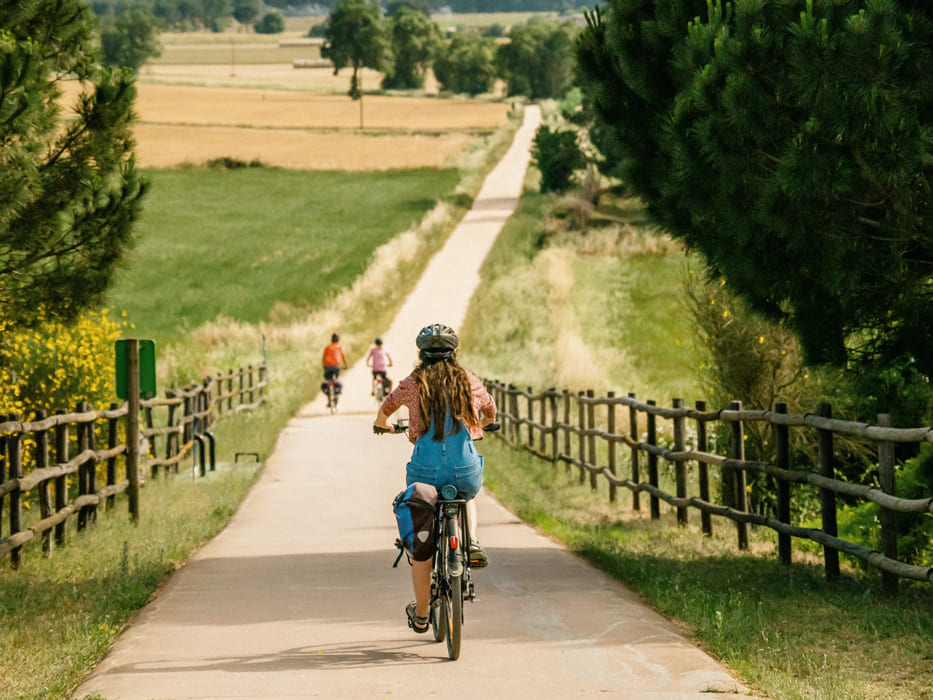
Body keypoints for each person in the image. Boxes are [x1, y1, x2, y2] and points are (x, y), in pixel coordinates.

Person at [373, 322, 497, 634]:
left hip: (425, 473)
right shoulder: (467, 380)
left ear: (421, 354)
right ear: (455, 353)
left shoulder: (414, 382)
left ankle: (423, 615)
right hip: (464, 470)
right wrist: (487, 421)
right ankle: (471, 542)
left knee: (422, 545)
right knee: (465, 497)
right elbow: (490, 408)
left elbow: (387, 406)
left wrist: (381, 423)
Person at [321, 333, 348, 402]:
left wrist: (324, 366)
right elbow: (343, 357)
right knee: (337, 379)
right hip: (336, 366)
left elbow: (323, 358)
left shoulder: (327, 347)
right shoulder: (339, 347)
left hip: (327, 366)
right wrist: (346, 366)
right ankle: (338, 391)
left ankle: (328, 393)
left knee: (326, 381)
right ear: (338, 340)